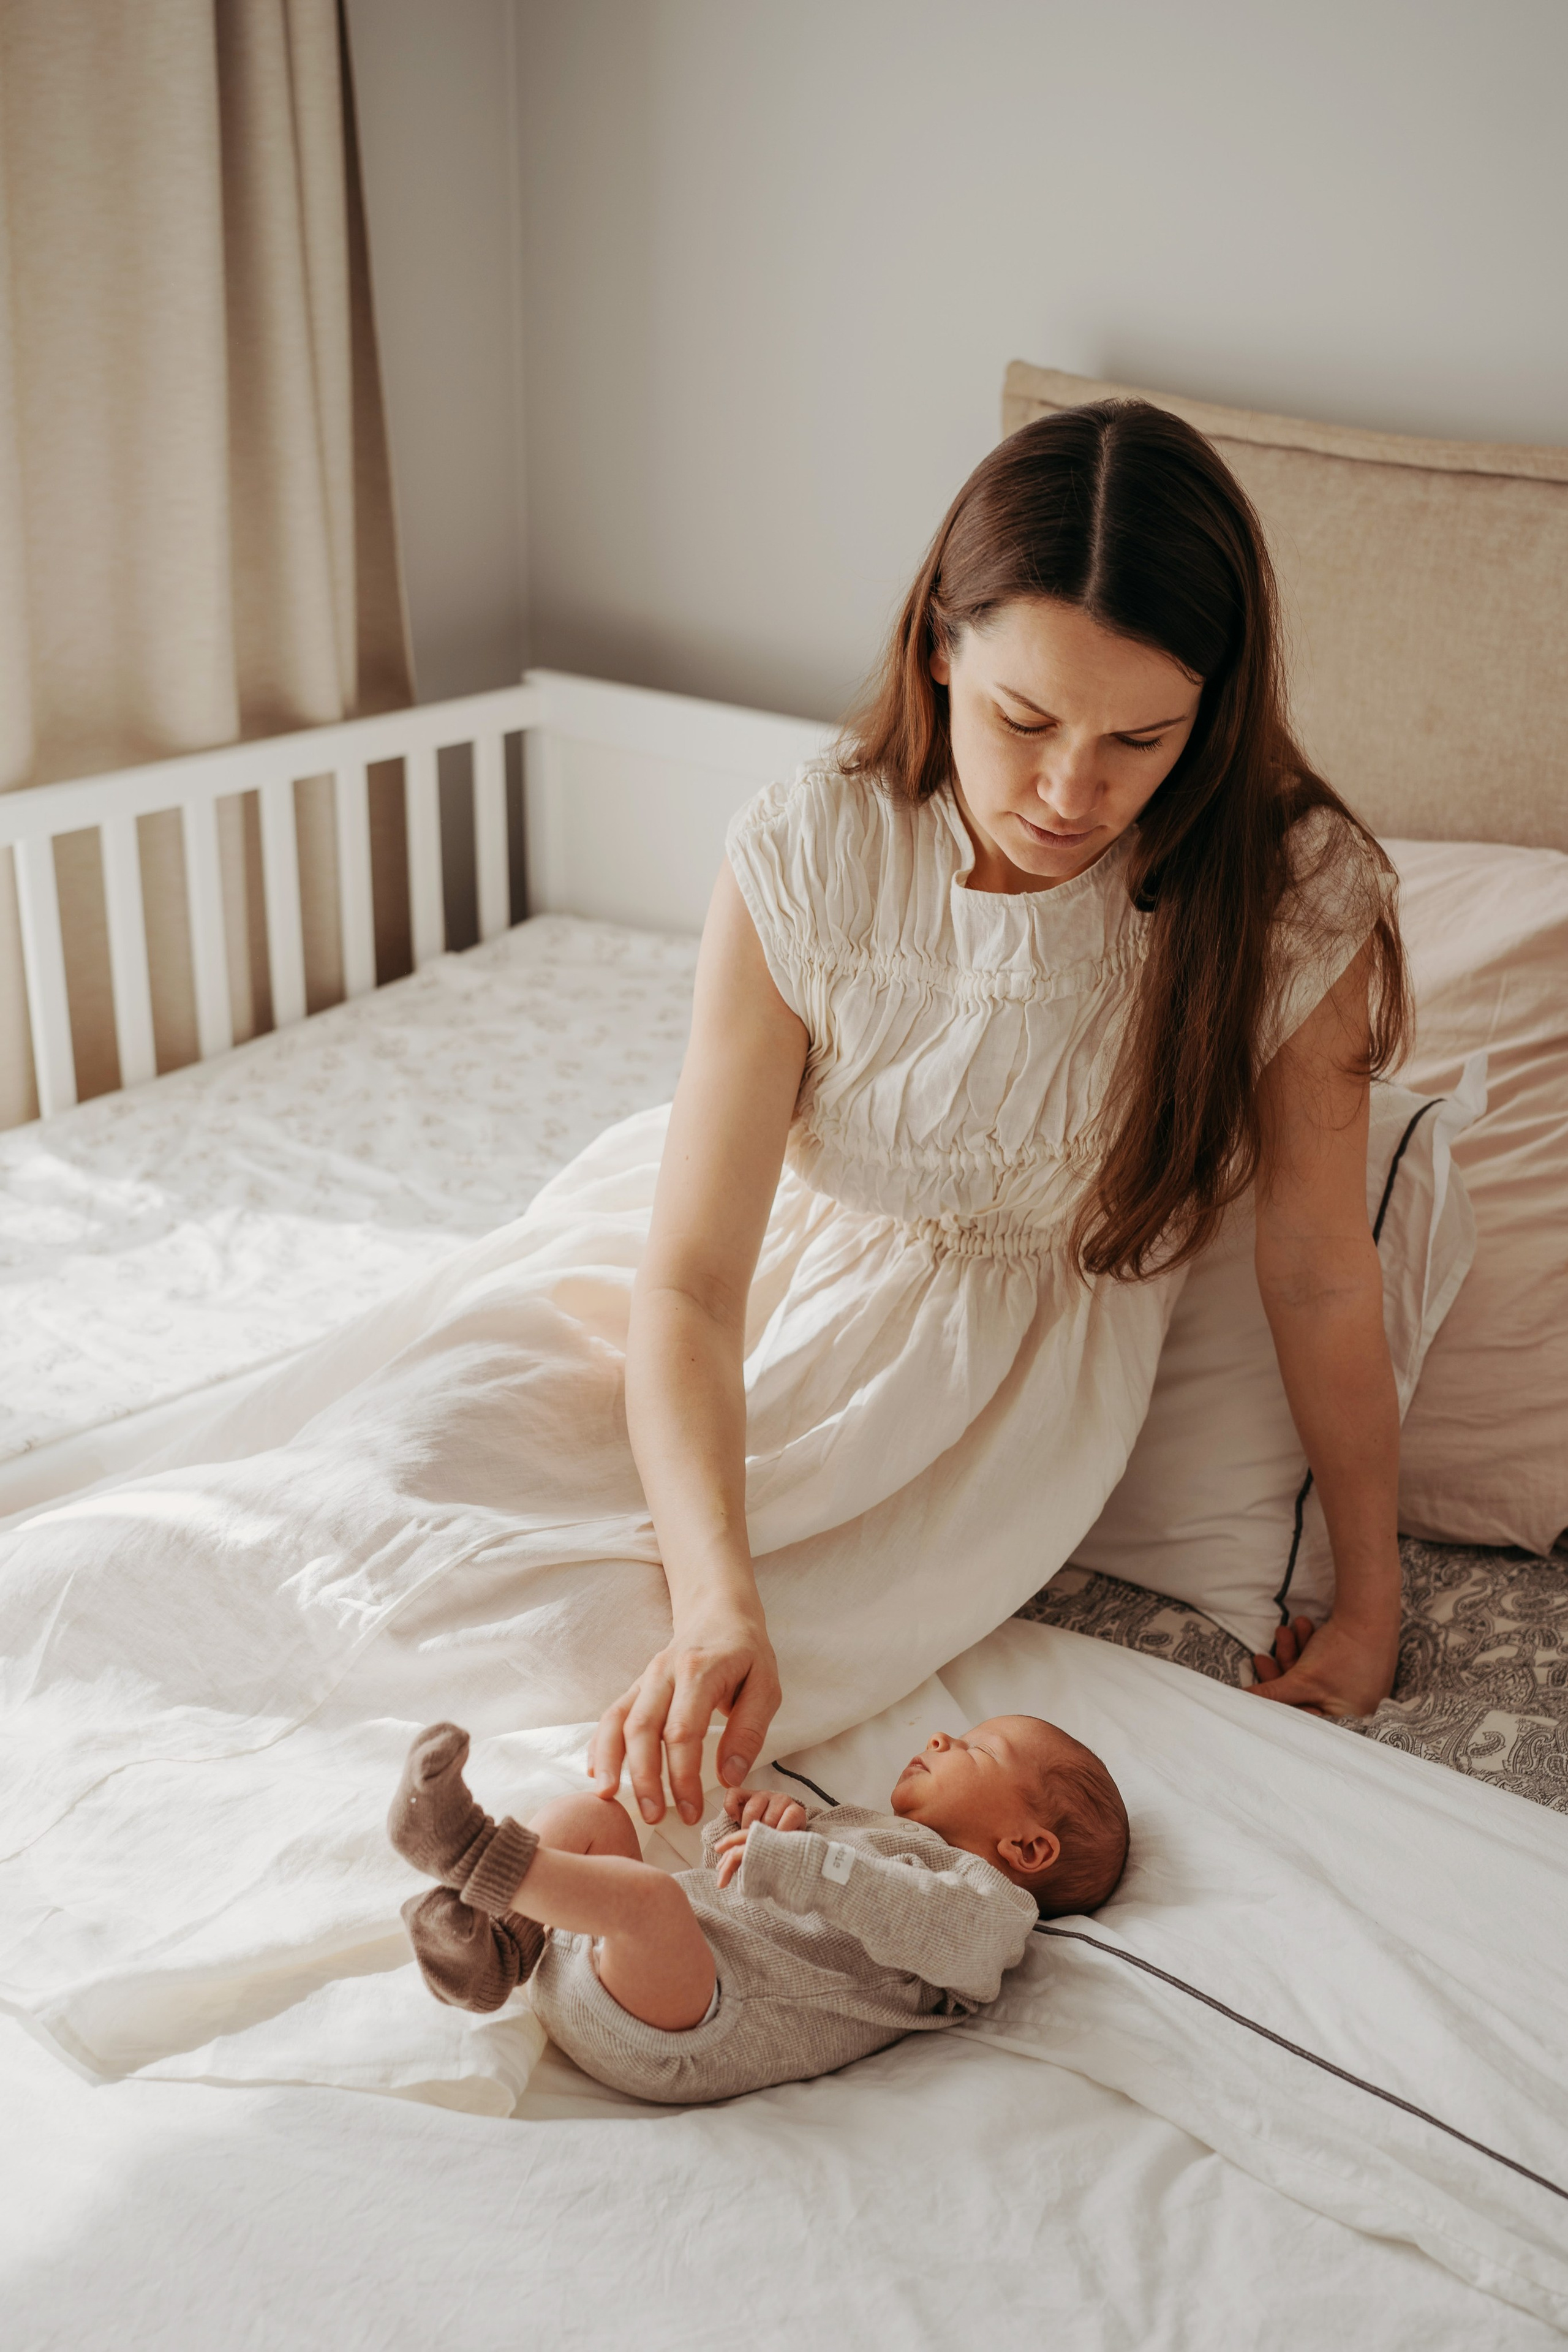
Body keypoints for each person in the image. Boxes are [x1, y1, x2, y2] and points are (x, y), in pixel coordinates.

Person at [592, 397, 1410, 1833]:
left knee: (601, 1690)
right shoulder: (812, 846)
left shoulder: (1287, 894)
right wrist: (715, 1596)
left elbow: (1317, 1271)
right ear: (938, 650)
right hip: (740, 1316)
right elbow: (691, 1283)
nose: (1069, 790)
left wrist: (1369, 1598)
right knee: (416, 1511)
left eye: (1140, 738)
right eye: (1021, 719)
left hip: (970, 1416)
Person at [389, 1714, 1128, 2104]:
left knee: (649, 1900)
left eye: (976, 1749)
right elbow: (730, 1886)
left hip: (685, 2030)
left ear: (1027, 1848)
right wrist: (751, 1831)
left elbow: (912, 1916)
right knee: (596, 1818)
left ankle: (466, 1851)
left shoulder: (990, 1913)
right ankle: (502, 1948)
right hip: (625, 1968)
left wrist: (805, 1863)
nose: (940, 1736)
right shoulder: (867, 1830)